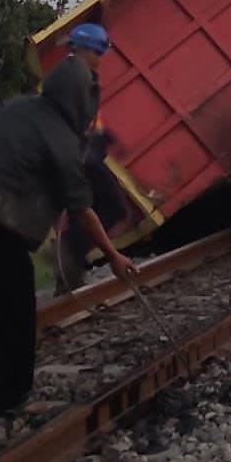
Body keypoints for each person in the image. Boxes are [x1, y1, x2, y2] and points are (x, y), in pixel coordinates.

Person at [0, 56, 136, 417]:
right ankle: (11, 398)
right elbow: (83, 209)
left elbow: (18, 160)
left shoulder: (18, 108)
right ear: (81, 100)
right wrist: (114, 256)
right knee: (12, 314)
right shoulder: (63, 140)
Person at [52, 23, 128, 293]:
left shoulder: (75, 74)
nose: (102, 58)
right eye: (100, 52)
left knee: (84, 213)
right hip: (83, 159)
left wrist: (103, 135)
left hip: (83, 154)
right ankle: (68, 250)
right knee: (113, 208)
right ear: (91, 49)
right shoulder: (76, 77)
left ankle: (69, 275)